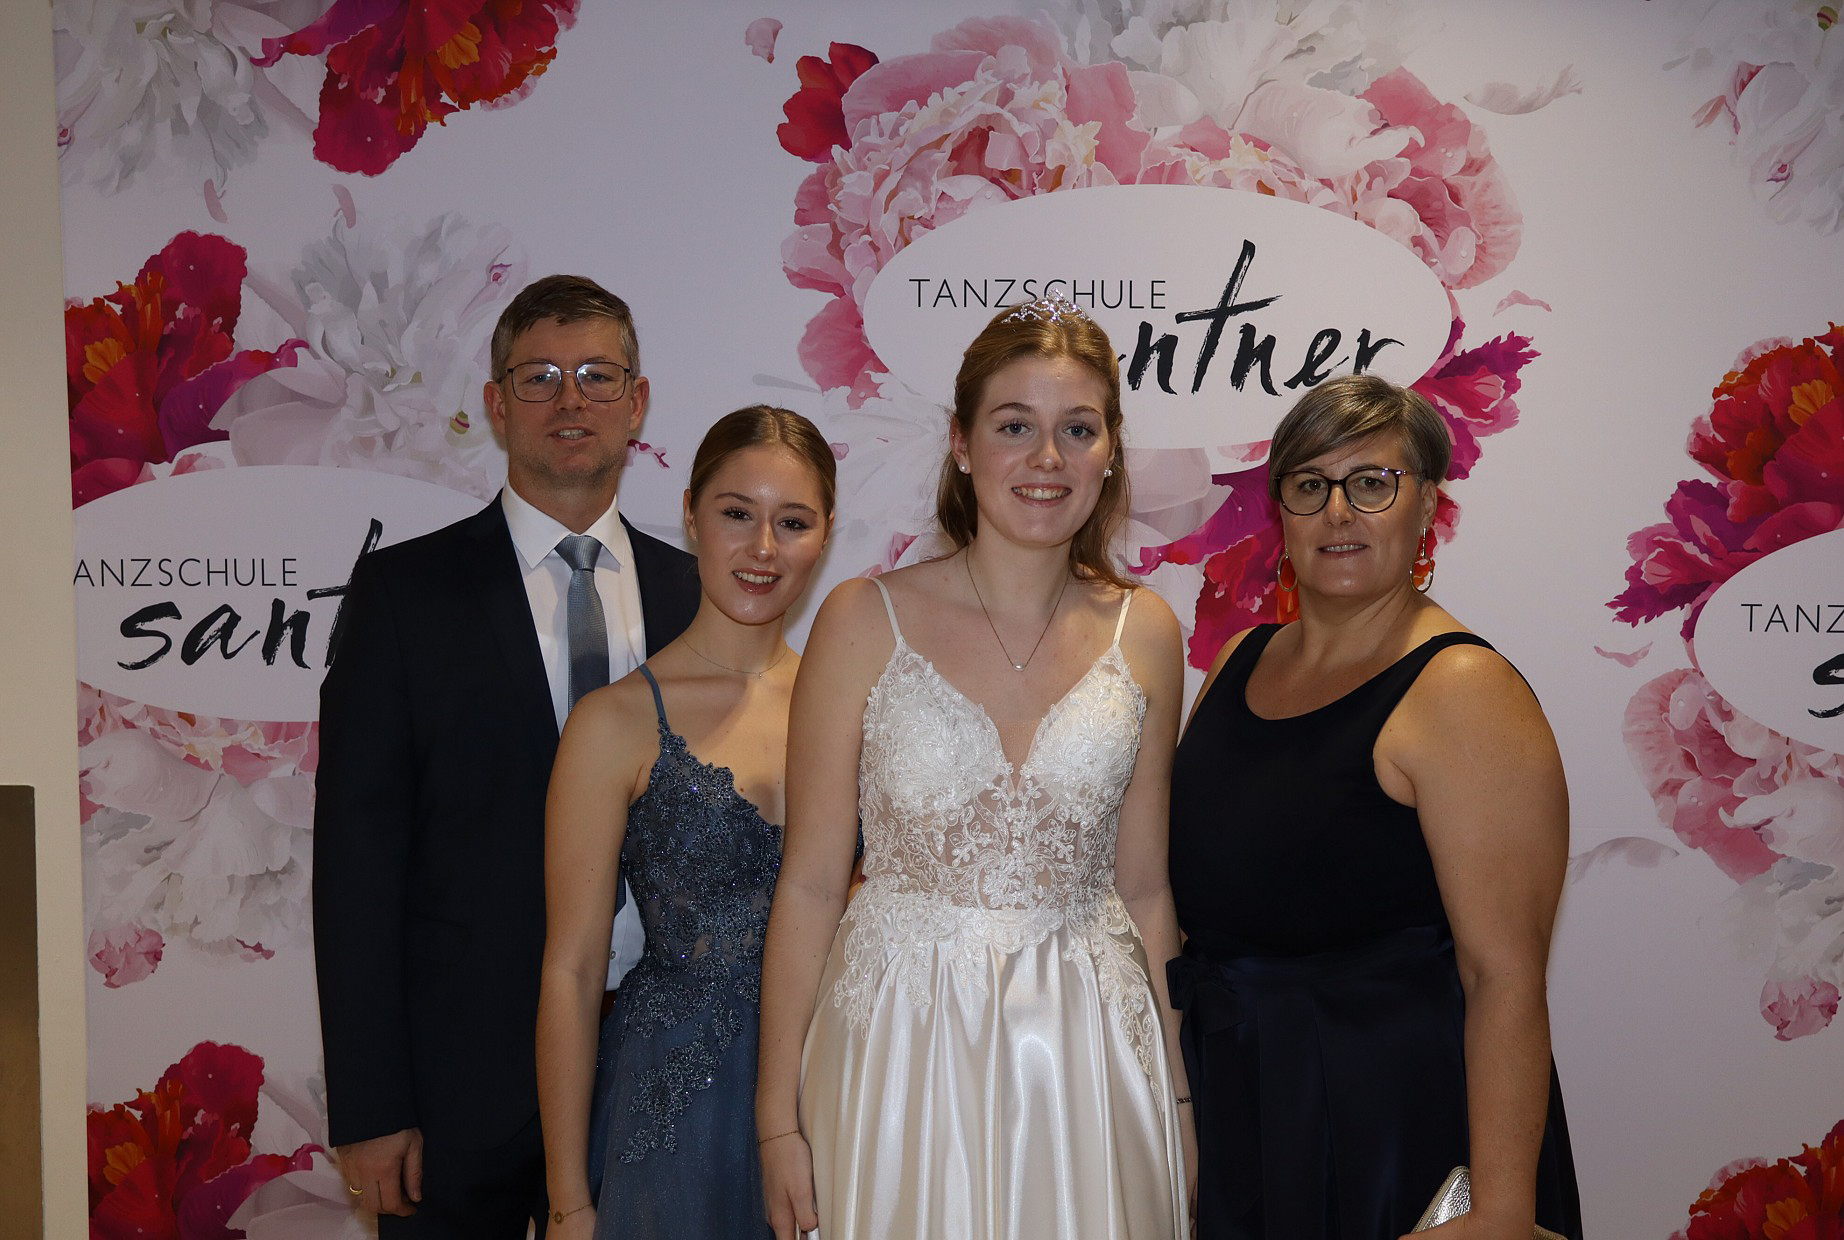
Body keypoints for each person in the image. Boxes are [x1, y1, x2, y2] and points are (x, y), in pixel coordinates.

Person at [757, 297, 1193, 1240]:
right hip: (897, 1045)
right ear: (961, 444)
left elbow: (1147, 889)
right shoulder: (861, 619)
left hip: (1090, 1053)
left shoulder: (1149, 632)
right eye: (1014, 426)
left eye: (1078, 429)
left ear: (1111, 451)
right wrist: (776, 1121)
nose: (1048, 459)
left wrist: (1182, 1101)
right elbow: (811, 884)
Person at [313, 275, 699, 1236]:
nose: (571, 399)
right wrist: (370, 1104)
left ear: (638, 403)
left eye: (598, 375)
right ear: (495, 404)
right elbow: (356, 864)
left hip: (662, 1067)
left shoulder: (701, 597)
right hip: (457, 1089)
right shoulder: (404, 597)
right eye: (539, 377)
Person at [1167, 373, 1582, 1239]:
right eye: (1309, 485)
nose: (1337, 513)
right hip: (1243, 1102)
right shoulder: (1238, 659)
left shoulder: (1462, 688)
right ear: (1280, 509)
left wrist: (1503, 1210)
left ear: (1426, 504)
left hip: (1392, 1128)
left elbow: (1504, 975)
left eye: (1371, 484)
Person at [536, 406, 835, 1239]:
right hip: (674, 1110)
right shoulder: (615, 722)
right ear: (692, 516)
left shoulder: (856, 705)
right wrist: (568, 1203)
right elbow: (571, 970)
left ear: (825, 535)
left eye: (793, 522)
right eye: (738, 513)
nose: (763, 548)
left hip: (831, 1088)